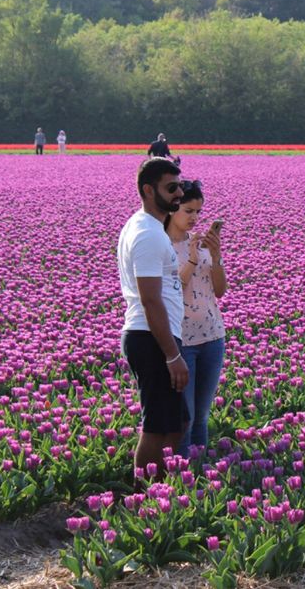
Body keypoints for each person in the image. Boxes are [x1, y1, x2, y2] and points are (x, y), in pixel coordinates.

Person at [117, 158, 188, 482]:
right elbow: (150, 299)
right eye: (170, 187)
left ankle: (163, 488)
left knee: (177, 421)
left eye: (179, 185)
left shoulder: (147, 227)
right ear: (148, 190)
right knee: (158, 424)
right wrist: (172, 354)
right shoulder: (148, 234)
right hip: (151, 337)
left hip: (156, 335)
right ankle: (142, 495)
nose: (179, 193)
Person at [164, 180, 227, 458]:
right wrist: (190, 260)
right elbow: (171, 292)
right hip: (182, 341)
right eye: (189, 211)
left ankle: (200, 475)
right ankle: (182, 473)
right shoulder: (161, 246)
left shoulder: (201, 244)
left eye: (199, 212)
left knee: (201, 416)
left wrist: (215, 256)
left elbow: (220, 290)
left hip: (213, 336)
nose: (195, 218)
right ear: (172, 208)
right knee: (184, 418)